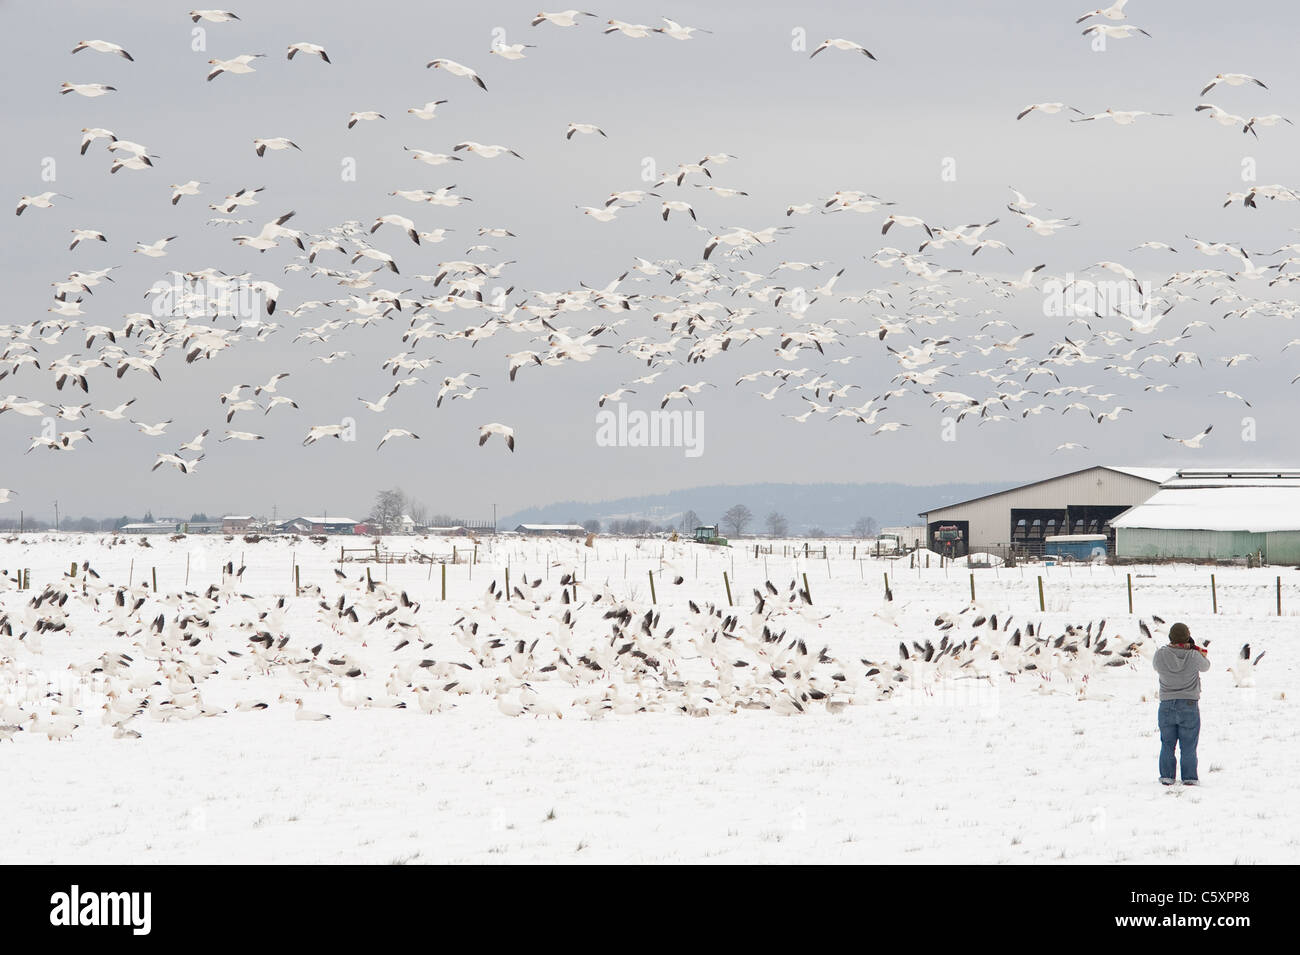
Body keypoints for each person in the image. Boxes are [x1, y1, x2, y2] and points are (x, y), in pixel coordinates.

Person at [1152, 622, 1210, 786]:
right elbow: (1206, 666)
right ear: (1187, 637)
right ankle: (1190, 777)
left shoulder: (1160, 654)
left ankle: (1167, 776)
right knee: (1189, 744)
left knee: (1167, 744)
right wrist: (1194, 649)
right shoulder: (1193, 656)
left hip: (1166, 704)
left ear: (1170, 637)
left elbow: (1156, 666)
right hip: (1189, 704)